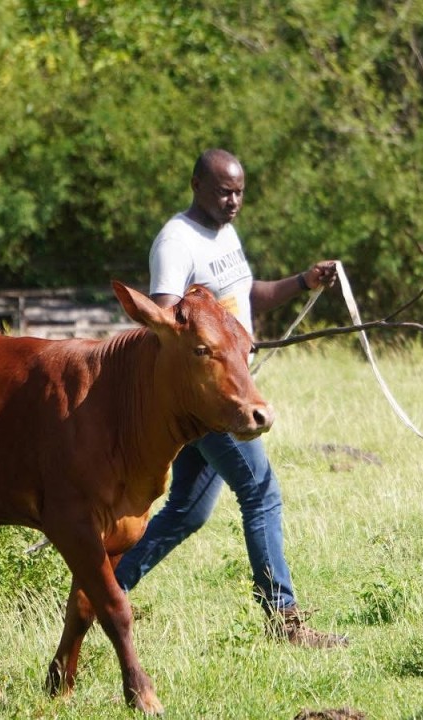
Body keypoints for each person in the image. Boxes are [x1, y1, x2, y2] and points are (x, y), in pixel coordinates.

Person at [114, 148, 347, 649]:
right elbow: (165, 326)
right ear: (196, 184)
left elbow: (245, 294)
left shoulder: (222, 229)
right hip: (209, 398)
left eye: (240, 191)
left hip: (228, 388)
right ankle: (284, 621)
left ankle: (105, 591)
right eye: (224, 191)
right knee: (260, 491)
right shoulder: (176, 243)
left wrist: (303, 282)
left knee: (188, 512)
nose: (234, 200)